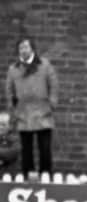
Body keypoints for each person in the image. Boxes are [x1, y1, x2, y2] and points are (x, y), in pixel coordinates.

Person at [5, 37, 59, 176]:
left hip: (43, 111)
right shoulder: (13, 69)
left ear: (32, 48)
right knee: (26, 149)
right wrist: (13, 109)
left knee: (45, 148)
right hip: (23, 113)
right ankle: (27, 176)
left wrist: (52, 103)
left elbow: (53, 85)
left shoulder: (45, 65)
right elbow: (9, 90)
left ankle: (46, 175)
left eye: (26, 47)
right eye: (21, 48)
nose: (23, 50)